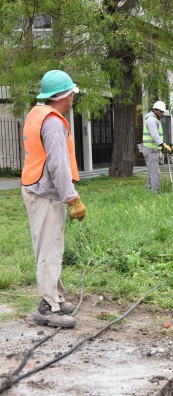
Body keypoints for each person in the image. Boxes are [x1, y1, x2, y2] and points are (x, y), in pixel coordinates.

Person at [21, 70, 87, 328]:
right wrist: (71, 198)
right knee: (50, 248)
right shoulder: (54, 123)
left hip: (36, 187)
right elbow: (58, 166)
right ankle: (48, 306)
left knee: (49, 246)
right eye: (72, 95)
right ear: (64, 96)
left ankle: (56, 296)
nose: (73, 100)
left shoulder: (38, 113)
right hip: (46, 193)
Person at [142, 101, 171, 193]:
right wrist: (162, 145)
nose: (162, 113)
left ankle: (151, 191)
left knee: (152, 171)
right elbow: (154, 135)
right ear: (155, 110)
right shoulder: (151, 120)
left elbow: (156, 135)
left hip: (153, 149)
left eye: (163, 111)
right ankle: (155, 192)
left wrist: (160, 149)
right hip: (150, 149)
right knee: (155, 172)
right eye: (161, 111)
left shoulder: (154, 119)